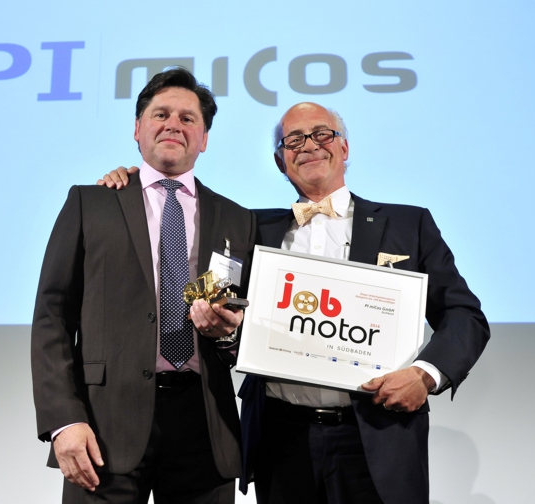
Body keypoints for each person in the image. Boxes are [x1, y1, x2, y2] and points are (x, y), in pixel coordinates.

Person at [97, 102, 490, 504]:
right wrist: (138, 185)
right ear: (280, 161)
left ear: (344, 148)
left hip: (377, 435)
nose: (310, 146)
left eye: (322, 134)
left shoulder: (408, 225)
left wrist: (425, 375)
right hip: (281, 441)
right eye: (294, 140)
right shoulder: (249, 227)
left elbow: (464, 315)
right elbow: (205, 278)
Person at [31, 68, 256, 503]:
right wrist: (63, 420)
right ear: (138, 129)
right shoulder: (92, 202)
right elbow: (51, 316)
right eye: (161, 114)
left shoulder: (238, 219)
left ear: (204, 138)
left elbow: (249, 324)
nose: (174, 124)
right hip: (104, 425)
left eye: (188, 118)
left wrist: (229, 334)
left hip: (205, 426)